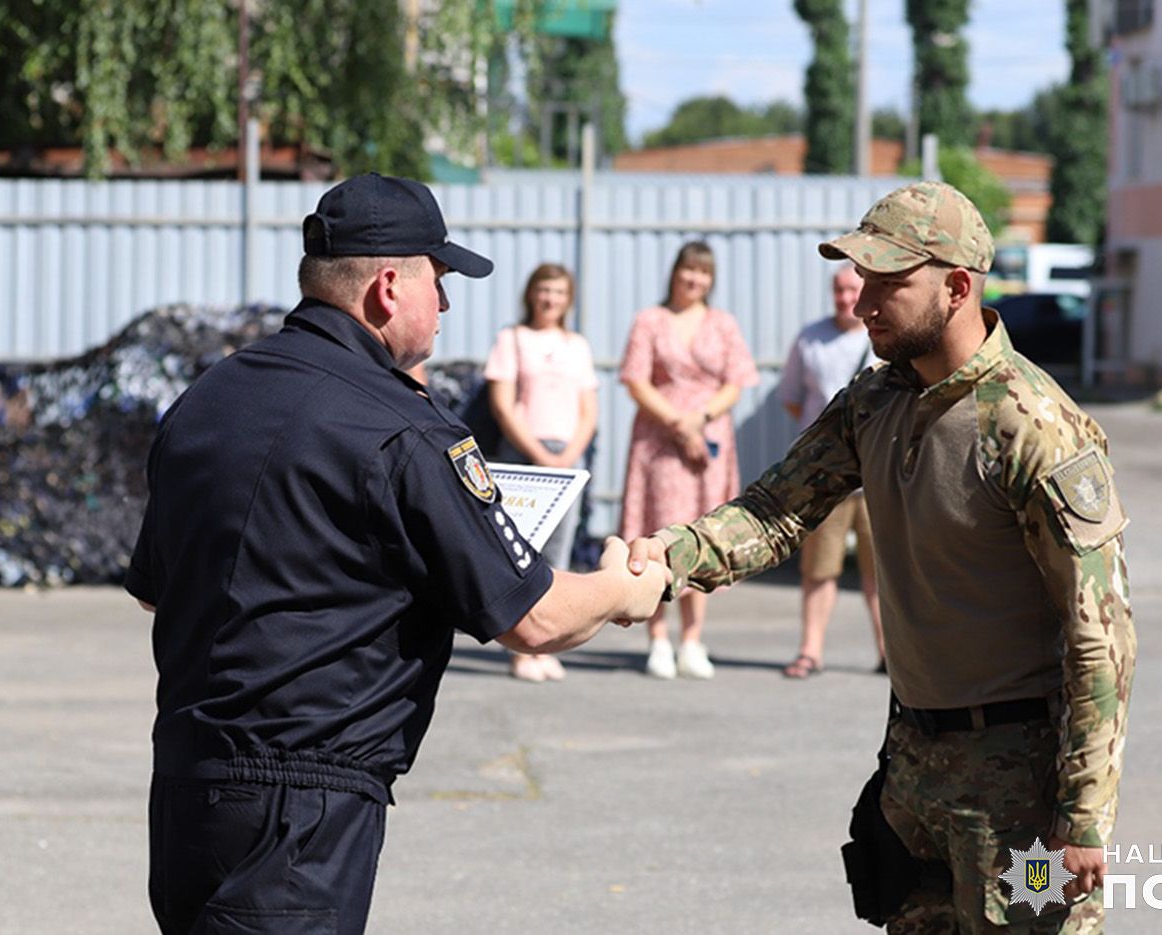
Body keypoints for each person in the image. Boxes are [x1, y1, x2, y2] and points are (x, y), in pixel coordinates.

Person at [125, 173, 667, 935]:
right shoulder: (402, 429)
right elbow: (536, 619)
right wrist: (624, 588)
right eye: (438, 281)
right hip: (301, 808)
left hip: (186, 785)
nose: (445, 305)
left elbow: (159, 586)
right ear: (387, 287)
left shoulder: (209, 398)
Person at [628, 181, 1134, 932]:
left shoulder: (1034, 427)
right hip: (914, 771)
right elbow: (774, 510)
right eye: (859, 277)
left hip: (1022, 790)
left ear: (956, 286)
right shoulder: (874, 402)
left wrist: (1083, 811)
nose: (862, 300)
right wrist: (660, 561)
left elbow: (1101, 635)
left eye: (886, 282)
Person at [618, 240, 758, 679]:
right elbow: (636, 380)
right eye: (688, 271)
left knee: (702, 537)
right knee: (657, 534)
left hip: (709, 442)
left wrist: (700, 418)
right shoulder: (650, 320)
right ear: (675, 273)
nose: (694, 280)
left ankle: (693, 639)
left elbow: (737, 381)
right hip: (660, 442)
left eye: (703, 273)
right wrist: (678, 423)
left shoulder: (723, 324)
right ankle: (657, 638)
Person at [484, 262, 599, 682]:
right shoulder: (512, 339)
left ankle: (549, 644)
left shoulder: (576, 345)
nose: (550, 299)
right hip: (522, 456)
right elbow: (502, 402)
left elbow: (588, 410)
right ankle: (518, 647)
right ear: (531, 294)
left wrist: (569, 453)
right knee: (517, 554)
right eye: (544, 290)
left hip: (567, 459)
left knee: (558, 557)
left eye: (559, 292)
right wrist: (537, 452)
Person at [775, 263, 884, 678]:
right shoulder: (810, 338)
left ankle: (889, 654)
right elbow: (792, 399)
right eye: (838, 290)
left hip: (876, 477)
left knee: (885, 574)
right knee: (818, 569)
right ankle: (810, 651)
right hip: (826, 480)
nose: (844, 298)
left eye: (851, 290)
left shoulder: (884, 338)